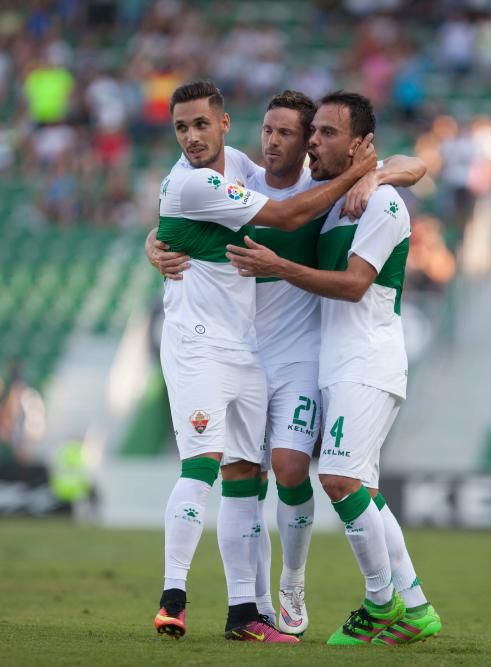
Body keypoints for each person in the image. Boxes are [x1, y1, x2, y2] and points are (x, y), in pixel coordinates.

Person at [148, 89, 425, 636]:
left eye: (290, 134)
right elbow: (180, 212)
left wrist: (375, 175)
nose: (273, 142)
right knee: (241, 483)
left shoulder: (321, 187)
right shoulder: (243, 180)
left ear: (307, 144)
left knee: (292, 468)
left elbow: (411, 163)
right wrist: (154, 242)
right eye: (268, 132)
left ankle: (292, 582)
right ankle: (250, 610)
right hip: (244, 351)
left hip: (303, 354)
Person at [227, 91, 442, 646]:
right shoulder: (332, 202)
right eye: (313, 132)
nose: (313, 142)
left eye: (326, 133)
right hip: (336, 364)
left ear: (361, 144)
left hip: (367, 362)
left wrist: (280, 265)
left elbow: (352, 286)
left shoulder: (382, 205)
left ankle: (379, 601)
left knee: (339, 478)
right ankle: (415, 605)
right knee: (363, 490)